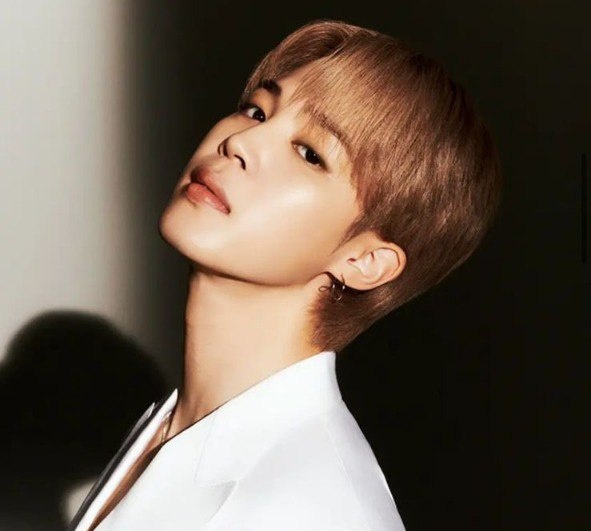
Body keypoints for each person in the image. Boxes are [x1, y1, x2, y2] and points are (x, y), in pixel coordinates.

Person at [68, 18, 503, 531]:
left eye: (310, 153)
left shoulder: (319, 508)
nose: (241, 141)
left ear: (364, 261)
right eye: (257, 110)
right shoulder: (168, 429)